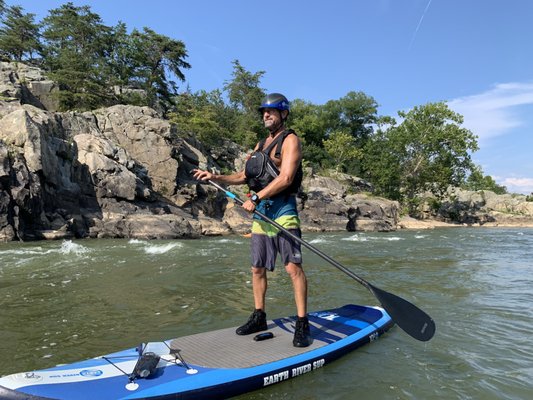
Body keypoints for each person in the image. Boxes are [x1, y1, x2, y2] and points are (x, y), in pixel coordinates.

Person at [193, 93, 311, 347]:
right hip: (262, 215)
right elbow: (244, 175)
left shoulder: (290, 141)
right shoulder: (260, 145)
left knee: (292, 268)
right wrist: (214, 176)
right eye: (263, 112)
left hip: (283, 211)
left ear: (284, 114)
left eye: (271, 111)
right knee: (257, 268)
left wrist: (256, 198)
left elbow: (286, 178)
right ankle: (259, 316)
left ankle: (302, 323)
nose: (266, 115)